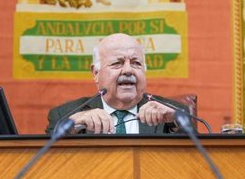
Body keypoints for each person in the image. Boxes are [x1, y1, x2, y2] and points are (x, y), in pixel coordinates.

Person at [46, 33, 186, 135]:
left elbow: (192, 163)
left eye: (136, 63)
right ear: (95, 73)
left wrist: (176, 119)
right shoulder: (64, 115)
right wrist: (70, 125)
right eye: (117, 63)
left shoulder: (173, 114)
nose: (128, 70)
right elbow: (46, 163)